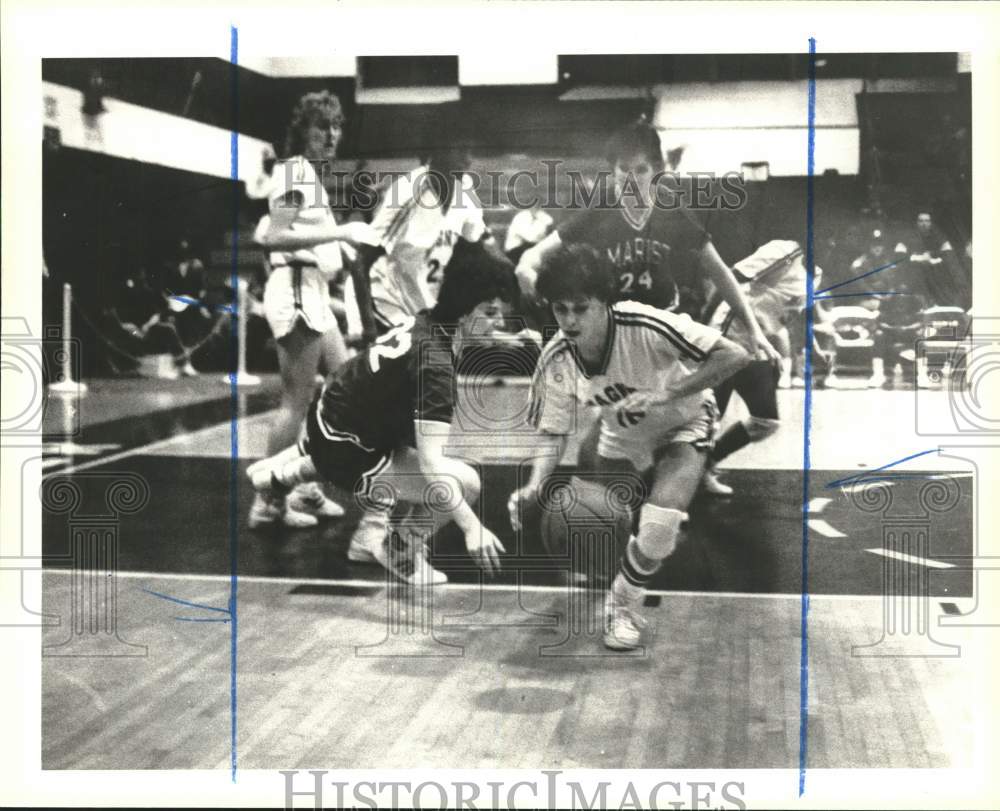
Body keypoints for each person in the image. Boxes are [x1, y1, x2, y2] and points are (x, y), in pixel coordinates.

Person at [510, 244, 750, 650]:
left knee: (658, 526)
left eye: (581, 308)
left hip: (684, 422)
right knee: (605, 529)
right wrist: (534, 485)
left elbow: (735, 355)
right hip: (621, 435)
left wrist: (666, 393)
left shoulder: (646, 323)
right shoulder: (556, 357)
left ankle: (624, 606)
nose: (569, 320)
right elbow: (552, 432)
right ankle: (621, 575)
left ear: (605, 303)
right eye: (560, 309)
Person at [246, 240, 514, 585]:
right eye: (490, 314)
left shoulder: (426, 319)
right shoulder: (436, 367)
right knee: (464, 482)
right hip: (345, 445)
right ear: (463, 311)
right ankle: (398, 550)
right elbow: (432, 466)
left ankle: (285, 474)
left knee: (410, 435)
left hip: (329, 418)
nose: (499, 323)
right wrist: (472, 527)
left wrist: (506, 339)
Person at [515, 120, 779, 366]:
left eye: (640, 170)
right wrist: (526, 267)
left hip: (661, 323)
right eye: (624, 169)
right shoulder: (599, 209)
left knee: (721, 364)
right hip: (611, 325)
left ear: (656, 171)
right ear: (613, 170)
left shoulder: (672, 209)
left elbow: (719, 271)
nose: (631, 178)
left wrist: (754, 329)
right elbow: (536, 254)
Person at [247, 90, 374, 529]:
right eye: (323, 127)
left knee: (346, 391)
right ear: (304, 130)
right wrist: (337, 235)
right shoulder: (295, 173)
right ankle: (267, 502)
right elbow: (272, 238)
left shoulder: (307, 176)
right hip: (298, 290)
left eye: (336, 127)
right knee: (296, 402)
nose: (332, 135)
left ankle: (304, 486)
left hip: (313, 290)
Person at [702, 241, 807, 494]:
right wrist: (703, 327)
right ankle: (670, 489)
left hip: (757, 348)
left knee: (766, 421)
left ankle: (705, 465)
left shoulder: (812, 273)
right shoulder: (785, 251)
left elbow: (792, 314)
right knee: (705, 419)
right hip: (727, 339)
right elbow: (729, 278)